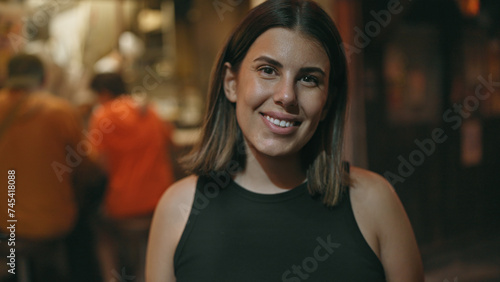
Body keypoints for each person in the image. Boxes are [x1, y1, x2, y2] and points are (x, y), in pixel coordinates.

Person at [146, 0, 424, 281]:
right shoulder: (177, 210)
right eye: (268, 70)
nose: (287, 95)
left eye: (308, 79)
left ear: (327, 102)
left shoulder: (375, 202)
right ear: (231, 82)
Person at [0, 54, 82, 281]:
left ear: (7, 77)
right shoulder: (61, 111)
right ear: (44, 79)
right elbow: (86, 165)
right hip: (51, 225)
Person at [88, 72, 175, 282]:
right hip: (161, 202)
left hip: (124, 207)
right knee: (147, 239)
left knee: (98, 228)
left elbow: (100, 165)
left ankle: (112, 278)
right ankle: (146, 273)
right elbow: (170, 143)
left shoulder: (102, 116)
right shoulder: (150, 110)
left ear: (104, 93)